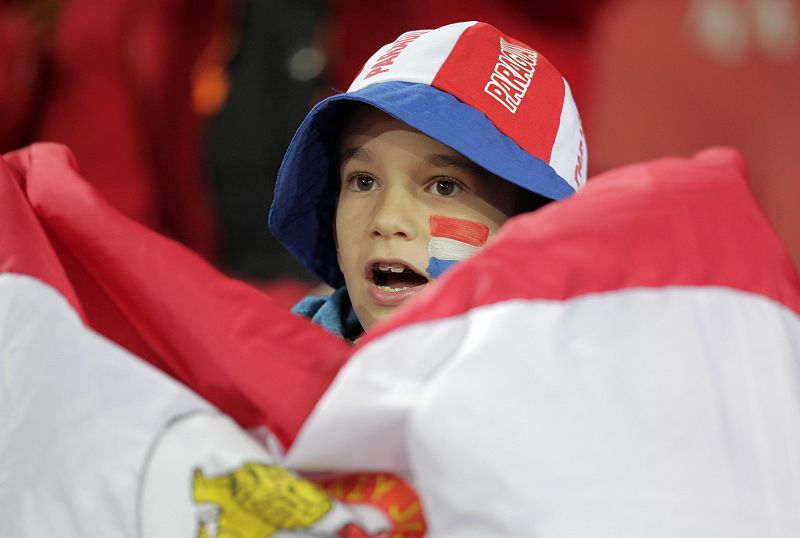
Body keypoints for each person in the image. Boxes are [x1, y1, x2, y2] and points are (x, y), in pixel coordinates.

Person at [269, 20, 588, 340]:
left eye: (444, 186)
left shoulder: (585, 383)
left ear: (535, 236)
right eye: (363, 182)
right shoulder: (271, 370)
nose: (387, 219)